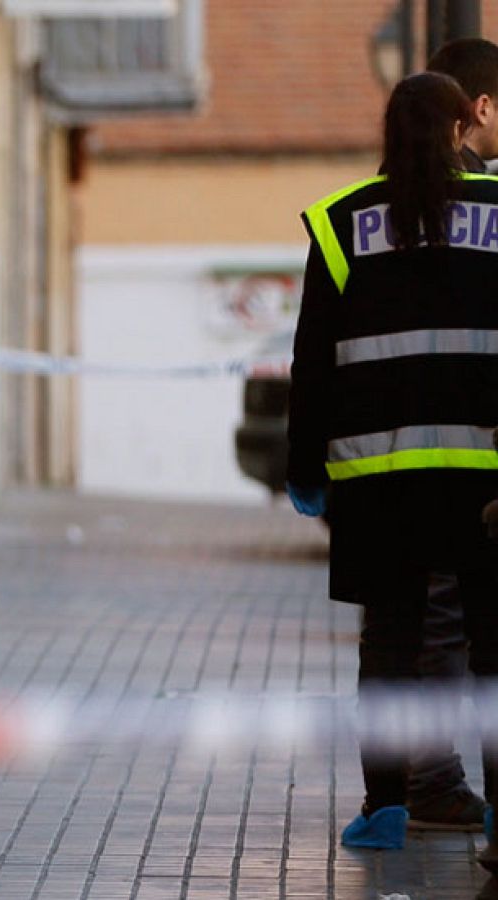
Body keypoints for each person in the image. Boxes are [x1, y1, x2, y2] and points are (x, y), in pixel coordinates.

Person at [286, 71, 498, 851]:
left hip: (378, 479)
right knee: (493, 646)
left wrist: (305, 467)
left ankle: (385, 809)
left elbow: (314, 362)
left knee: (391, 646)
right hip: (486, 477)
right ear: (456, 133)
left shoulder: (340, 223)